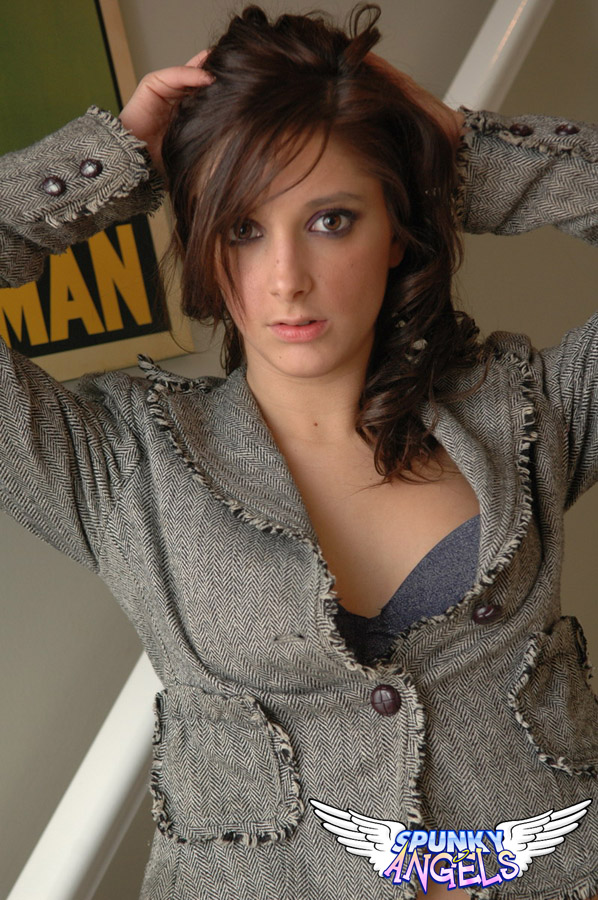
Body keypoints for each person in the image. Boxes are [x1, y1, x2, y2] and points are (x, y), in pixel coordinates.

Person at [1, 4, 597, 899]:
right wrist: (110, 160)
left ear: (395, 230)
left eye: (331, 220)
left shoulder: (529, 413)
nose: (286, 279)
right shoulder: (121, 465)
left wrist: (458, 149)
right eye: (242, 229)